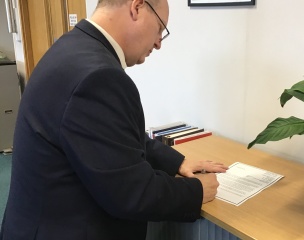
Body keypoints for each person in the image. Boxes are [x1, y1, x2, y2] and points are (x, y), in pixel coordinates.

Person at [0, 0, 228, 239]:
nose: (159, 43)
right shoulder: (98, 76)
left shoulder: (72, 47)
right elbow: (132, 194)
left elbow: (113, 138)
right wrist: (196, 191)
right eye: (160, 29)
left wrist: (176, 163)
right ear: (137, 7)